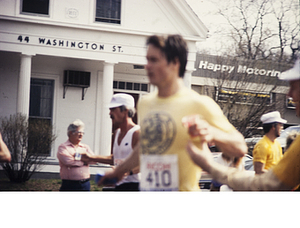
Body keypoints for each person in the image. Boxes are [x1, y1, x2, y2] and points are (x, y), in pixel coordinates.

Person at [99, 34, 247, 191]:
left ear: (175, 62)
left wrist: (212, 133)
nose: (147, 66)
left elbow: (240, 147)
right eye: (147, 60)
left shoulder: (198, 103)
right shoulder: (146, 103)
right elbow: (145, 146)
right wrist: (118, 171)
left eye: (154, 60)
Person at [186, 57, 300, 191]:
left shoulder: (278, 145)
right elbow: (266, 178)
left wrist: (209, 165)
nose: (289, 94)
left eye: (294, 86)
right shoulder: (263, 145)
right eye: (280, 124)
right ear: (273, 126)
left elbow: (270, 183)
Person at [81, 93, 140, 191]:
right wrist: (91, 157)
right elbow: (116, 158)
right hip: (119, 185)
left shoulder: (137, 133)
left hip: (135, 186)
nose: (110, 113)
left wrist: (124, 172)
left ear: (125, 111)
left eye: (113, 109)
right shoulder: (117, 132)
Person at [57, 119, 94, 191]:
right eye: (79, 132)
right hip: (69, 185)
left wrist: (77, 159)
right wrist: (85, 161)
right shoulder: (63, 147)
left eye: (83, 132)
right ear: (71, 133)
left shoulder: (85, 147)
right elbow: (68, 161)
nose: (81, 134)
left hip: (85, 184)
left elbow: (94, 160)